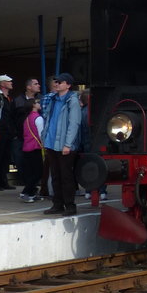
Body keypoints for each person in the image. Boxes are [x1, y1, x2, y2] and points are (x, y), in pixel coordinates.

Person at [40, 73, 81, 217]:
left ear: (68, 85)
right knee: (55, 175)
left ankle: (70, 205)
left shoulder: (72, 101)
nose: (57, 84)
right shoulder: (53, 99)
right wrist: (45, 139)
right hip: (51, 143)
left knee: (66, 176)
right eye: (56, 82)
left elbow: (74, 124)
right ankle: (57, 204)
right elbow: (48, 120)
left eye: (60, 82)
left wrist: (68, 144)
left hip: (64, 145)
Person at [0, 75, 17, 190]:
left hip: (8, 132)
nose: (11, 83)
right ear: (2, 84)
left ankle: (3, 181)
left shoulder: (8, 98)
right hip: (0, 131)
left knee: (5, 157)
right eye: (8, 81)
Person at [19, 97, 45, 203]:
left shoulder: (27, 118)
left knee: (31, 172)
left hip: (27, 148)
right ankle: (26, 192)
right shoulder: (38, 118)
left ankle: (32, 193)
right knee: (38, 172)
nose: (39, 104)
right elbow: (41, 135)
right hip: (35, 148)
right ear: (33, 105)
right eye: (38, 102)